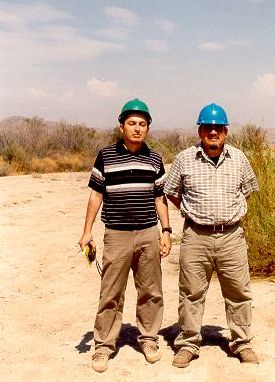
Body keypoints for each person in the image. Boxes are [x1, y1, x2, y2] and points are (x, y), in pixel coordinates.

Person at [78, 98, 172, 373]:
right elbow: (96, 194)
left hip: (147, 234)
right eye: (132, 123)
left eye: (142, 124)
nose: (137, 128)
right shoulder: (106, 156)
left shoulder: (154, 159)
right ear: (121, 126)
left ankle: (149, 339)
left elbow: (160, 197)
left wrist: (165, 231)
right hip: (116, 234)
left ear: (148, 129)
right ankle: (104, 346)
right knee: (111, 293)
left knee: (151, 291)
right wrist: (87, 232)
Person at [164, 103, 260, 367]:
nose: (213, 133)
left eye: (218, 128)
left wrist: (227, 212)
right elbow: (170, 190)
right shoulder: (185, 159)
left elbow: (249, 189)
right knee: (191, 293)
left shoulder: (239, 158)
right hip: (196, 236)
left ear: (226, 131)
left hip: (231, 237)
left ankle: (242, 343)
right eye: (208, 128)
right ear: (200, 131)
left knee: (239, 292)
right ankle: (188, 343)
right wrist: (190, 210)